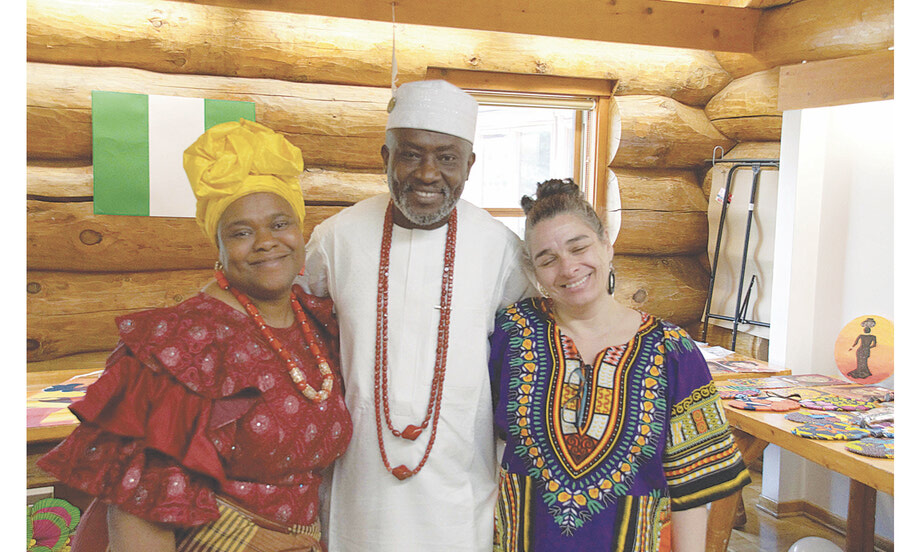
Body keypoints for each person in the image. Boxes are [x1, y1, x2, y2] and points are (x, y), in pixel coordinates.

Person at [38, 119, 353, 551]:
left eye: (280, 223)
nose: (266, 242)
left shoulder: (317, 324)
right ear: (217, 248)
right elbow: (137, 513)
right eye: (241, 232)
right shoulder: (181, 344)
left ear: (300, 230)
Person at [297, 79, 532, 551]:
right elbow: (294, 324)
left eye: (446, 158)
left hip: (460, 489)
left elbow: (527, 356)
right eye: (410, 155)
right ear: (385, 157)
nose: (428, 173)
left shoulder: (500, 247)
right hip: (360, 484)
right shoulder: (336, 238)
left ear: (469, 165)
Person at [489, 179, 751, 551]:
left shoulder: (672, 351)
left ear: (606, 244)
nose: (568, 268)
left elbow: (691, 488)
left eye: (579, 247)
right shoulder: (511, 333)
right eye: (548, 259)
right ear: (534, 270)